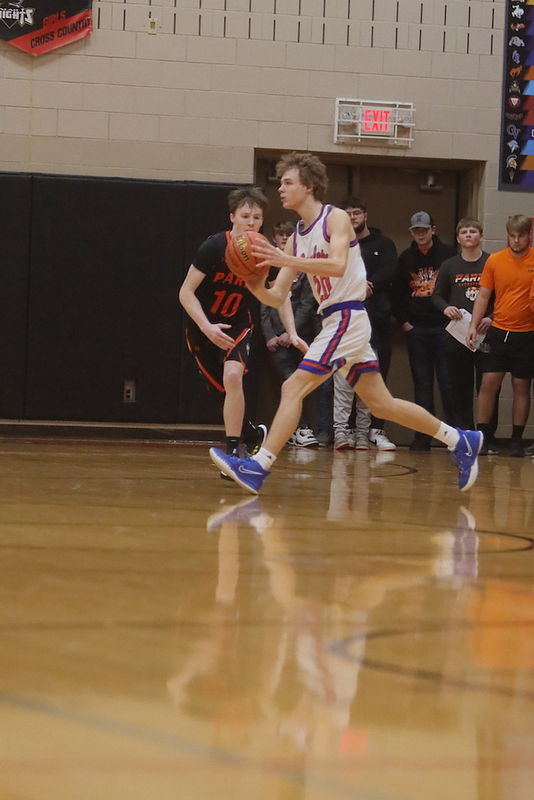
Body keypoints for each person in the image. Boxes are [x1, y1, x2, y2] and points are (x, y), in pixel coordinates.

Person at [209, 151, 482, 495]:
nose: (281, 188)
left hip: (348, 316)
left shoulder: (334, 218)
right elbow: (277, 297)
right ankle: (460, 439)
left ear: (308, 186)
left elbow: (338, 265)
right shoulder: (296, 237)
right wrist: (253, 282)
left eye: (288, 182)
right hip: (335, 321)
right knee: (382, 404)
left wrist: (285, 259)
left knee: (292, 387)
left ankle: (258, 467)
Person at [179, 186, 269, 473]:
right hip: (203, 326)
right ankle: (252, 434)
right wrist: (206, 326)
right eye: (245, 216)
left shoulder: (263, 251)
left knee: (232, 377)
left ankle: (233, 451)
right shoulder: (214, 247)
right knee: (222, 394)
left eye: (257, 217)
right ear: (232, 217)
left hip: (238, 323)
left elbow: (277, 295)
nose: (251, 222)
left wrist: (290, 330)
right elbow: (185, 292)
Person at [332, 197, 397, 451]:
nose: (352, 217)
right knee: (343, 381)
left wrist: (370, 285)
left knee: (369, 382)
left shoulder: (384, 244)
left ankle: (364, 432)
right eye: (347, 213)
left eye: (356, 213)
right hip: (344, 323)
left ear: (365, 215)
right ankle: (341, 431)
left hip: (375, 325)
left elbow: (391, 271)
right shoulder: (336, 245)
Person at [467, 214, 534, 458]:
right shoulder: (495, 260)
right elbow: (483, 295)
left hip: (527, 334)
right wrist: (473, 325)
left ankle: (516, 440)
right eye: (512, 236)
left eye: (520, 236)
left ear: (529, 236)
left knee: (521, 385)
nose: (516, 241)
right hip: (498, 332)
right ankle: (483, 437)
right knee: (488, 383)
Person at [432, 218, 499, 451]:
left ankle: (487, 436)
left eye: (473, 231)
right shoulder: (449, 265)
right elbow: (436, 295)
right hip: (457, 336)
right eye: (464, 232)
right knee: (459, 387)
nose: (468, 235)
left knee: (488, 387)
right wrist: (445, 308)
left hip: (486, 335)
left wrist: (492, 317)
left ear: (481, 236)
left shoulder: (492, 262)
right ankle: (465, 435)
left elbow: (503, 296)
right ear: (458, 238)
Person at [394, 211, 456, 451]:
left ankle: (454, 436)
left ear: (433, 230)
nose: (420, 234)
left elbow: (455, 289)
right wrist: (404, 322)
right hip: (417, 328)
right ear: (412, 233)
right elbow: (397, 293)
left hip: (443, 328)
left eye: (424, 230)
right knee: (422, 385)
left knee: (448, 384)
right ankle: (423, 435)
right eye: (416, 231)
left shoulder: (448, 255)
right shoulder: (406, 258)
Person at [261, 221, 320, 447]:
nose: (284, 238)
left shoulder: (302, 264)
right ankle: (298, 428)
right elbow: (264, 303)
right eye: (280, 234)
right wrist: (270, 335)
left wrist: (291, 332)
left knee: (301, 382)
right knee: (287, 380)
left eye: (288, 234)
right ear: (274, 238)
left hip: (300, 335)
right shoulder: (267, 265)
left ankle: (298, 428)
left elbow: (306, 304)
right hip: (275, 337)